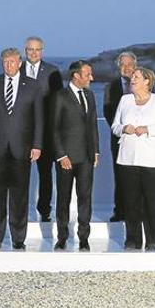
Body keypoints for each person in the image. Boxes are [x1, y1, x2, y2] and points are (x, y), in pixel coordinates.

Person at [0, 48, 43, 250]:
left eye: (12, 62)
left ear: (20, 63)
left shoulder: (32, 86)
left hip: (22, 149)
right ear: (1, 63)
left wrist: (37, 145)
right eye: (5, 62)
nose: (9, 65)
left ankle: (18, 238)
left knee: (20, 196)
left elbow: (38, 118)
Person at [51, 60, 99, 252]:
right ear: (76, 76)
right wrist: (61, 155)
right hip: (66, 158)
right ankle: (62, 237)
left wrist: (95, 151)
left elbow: (93, 124)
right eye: (88, 74)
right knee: (63, 198)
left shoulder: (90, 95)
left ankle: (84, 238)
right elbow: (53, 128)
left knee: (85, 197)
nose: (92, 78)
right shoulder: (60, 96)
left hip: (86, 157)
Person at [20, 36, 64, 222]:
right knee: (19, 173)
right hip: (20, 131)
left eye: (37, 49)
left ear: (42, 51)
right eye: (30, 49)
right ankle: (19, 210)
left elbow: (59, 101)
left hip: (45, 132)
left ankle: (44, 209)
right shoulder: (17, 69)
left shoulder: (52, 71)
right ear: (25, 50)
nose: (34, 53)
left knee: (45, 173)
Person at [102, 51, 136, 222]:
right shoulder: (111, 86)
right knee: (120, 175)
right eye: (123, 65)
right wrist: (121, 130)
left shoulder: (144, 84)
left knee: (137, 176)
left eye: (130, 65)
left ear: (135, 66)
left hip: (139, 140)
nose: (127, 68)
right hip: (118, 138)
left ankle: (136, 211)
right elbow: (107, 111)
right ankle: (120, 210)